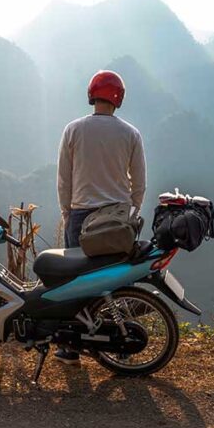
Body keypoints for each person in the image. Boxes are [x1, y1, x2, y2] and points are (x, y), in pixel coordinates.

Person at [54, 69, 147, 365]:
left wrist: (67, 212)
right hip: (117, 217)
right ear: (118, 99)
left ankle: (70, 349)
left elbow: (63, 179)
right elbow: (139, 183)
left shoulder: (73, 130)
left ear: (91, 94)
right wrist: (132, 212)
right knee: (115, 280)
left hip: (81, 217)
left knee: (73, 281)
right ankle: (121, 345)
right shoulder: (131, 133)